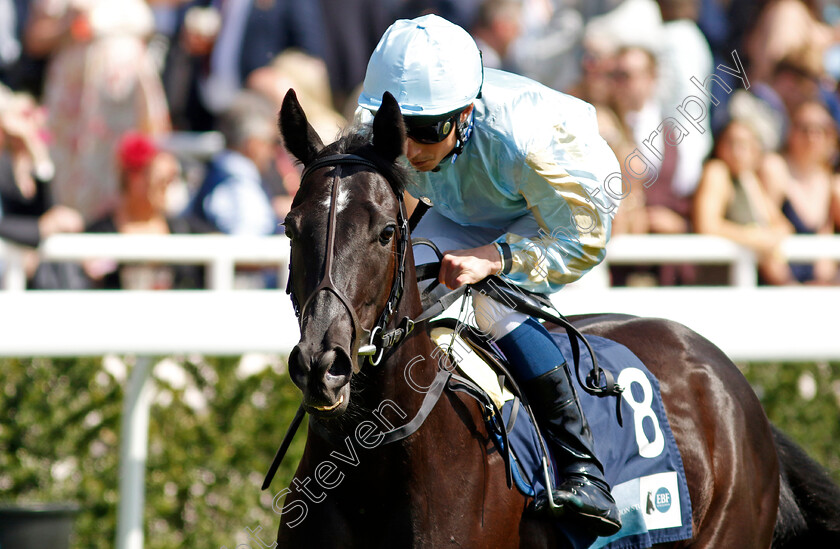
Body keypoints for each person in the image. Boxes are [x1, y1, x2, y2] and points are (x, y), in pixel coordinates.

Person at [356, 15, 621, 536]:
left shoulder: (524, 140)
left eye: (427, 131)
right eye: (397, 130)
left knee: (492, 303)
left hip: (553, 209)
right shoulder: (395, 131)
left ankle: (583, 467)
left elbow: (584, 239)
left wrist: (496, 260)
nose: (408, 150)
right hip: (466, 200)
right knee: (403, 293)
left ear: (467, 111)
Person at [85, 132, 213, 289]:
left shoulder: (184, 229)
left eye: (169, 181)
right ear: (134, 177)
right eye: (160, 181)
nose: (166, 188)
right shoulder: (99, 234)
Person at [693, 117, 796, 285]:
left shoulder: (749, 180)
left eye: (743, 144)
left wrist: (769, 239)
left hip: (749, 279)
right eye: (730, 142)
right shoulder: (717, 172)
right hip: (717, 285)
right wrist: (753, 237)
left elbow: (783, 226)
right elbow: (707, 225)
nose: (736, 151)